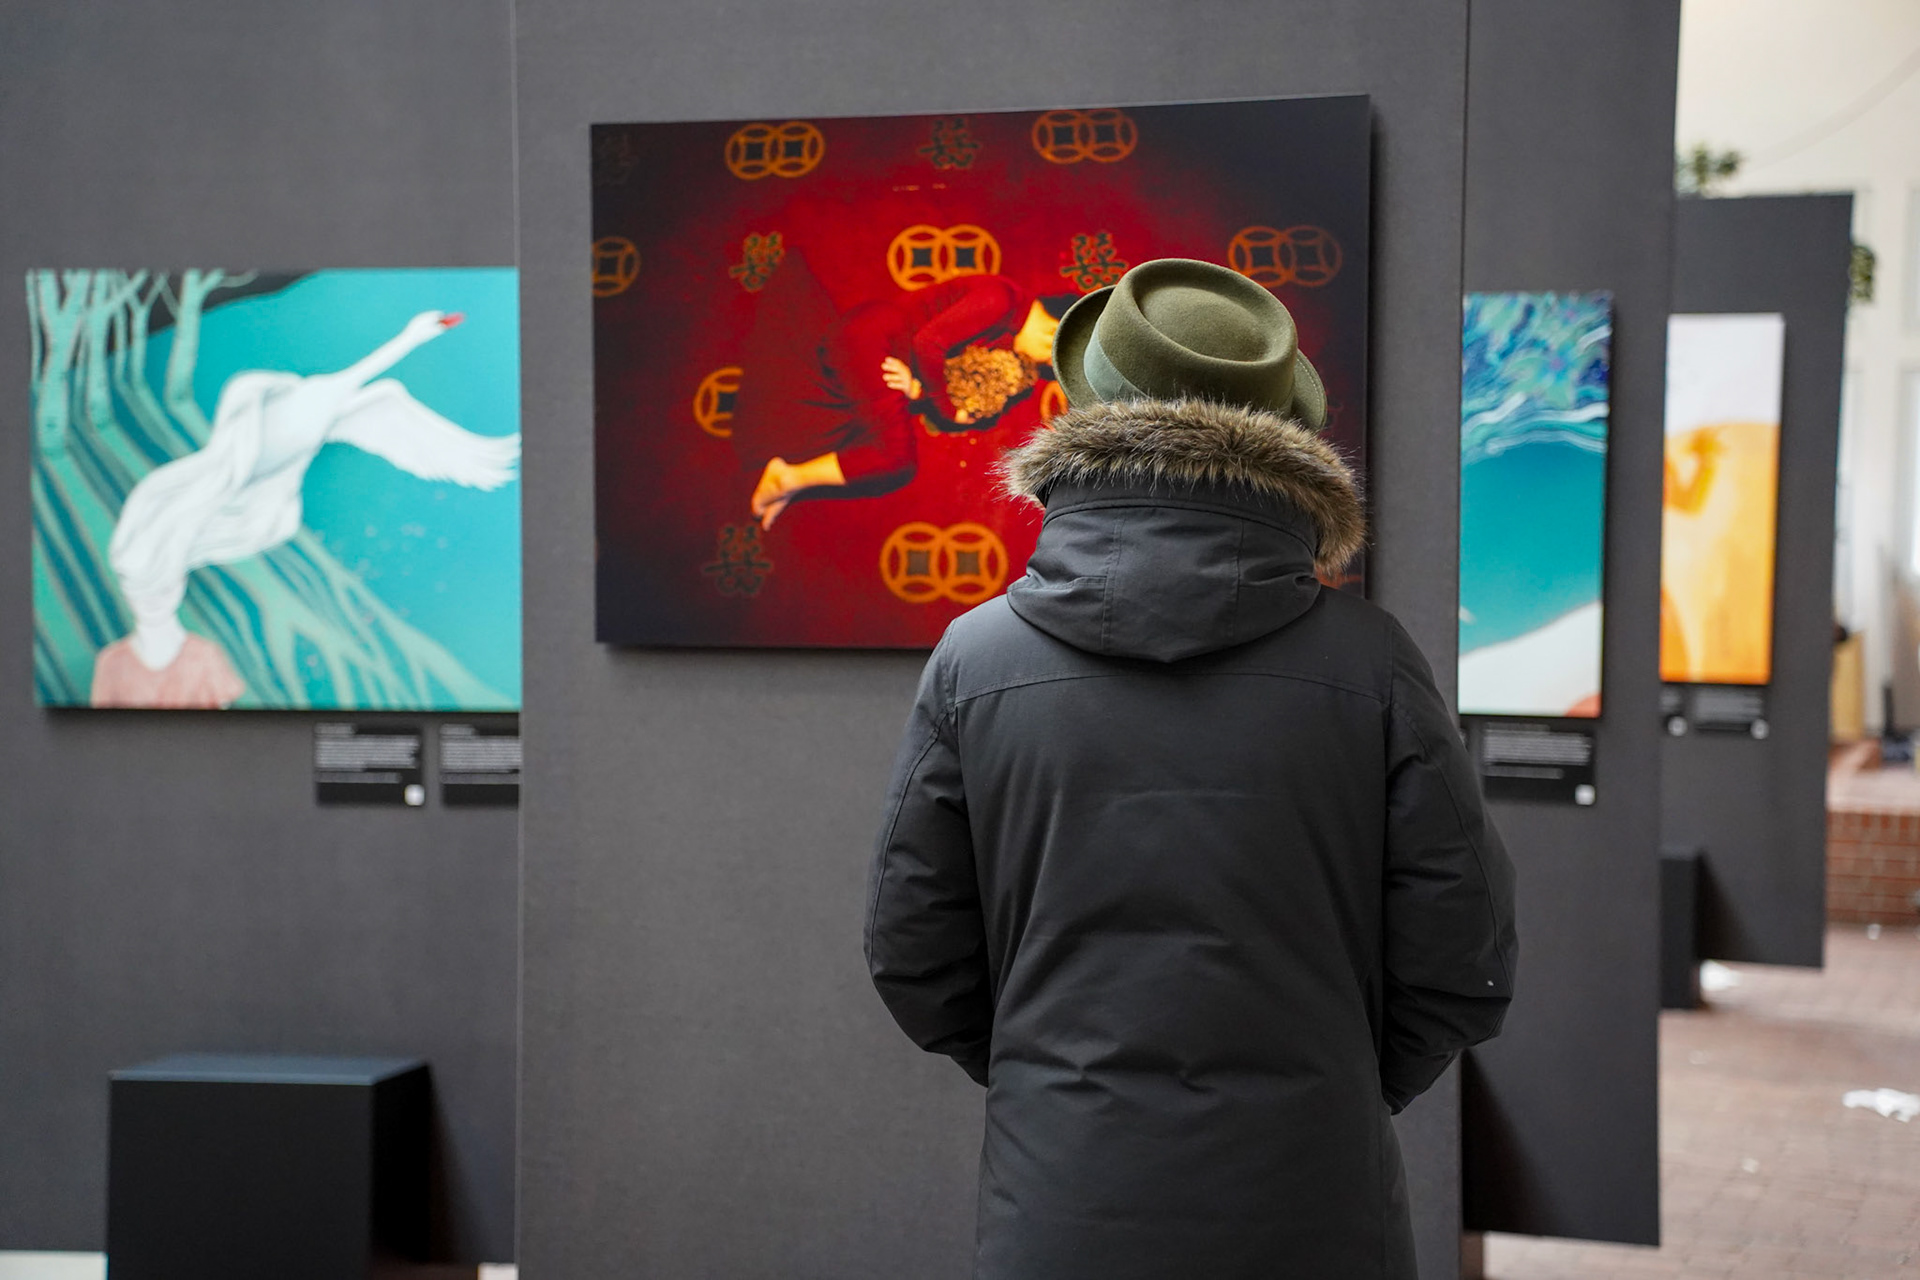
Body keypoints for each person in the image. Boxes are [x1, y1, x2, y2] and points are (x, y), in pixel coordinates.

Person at [863, 258, 1518, 1279]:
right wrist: (1341, 1084)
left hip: (1060, 1203)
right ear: (1285, 441)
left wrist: (1049, 1076)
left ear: (1085, 417)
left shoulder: (975, 661)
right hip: (1313, 1203)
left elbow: (912, 947)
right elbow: (1464, 953)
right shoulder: (1371, 663)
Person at [739, 257, 1070, 528]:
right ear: (1051, 334)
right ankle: (787, 478)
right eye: (1046, 363)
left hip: (888, 356)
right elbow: (928, 345)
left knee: (859, 441)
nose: (1037, 367)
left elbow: (946, 365)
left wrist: (918, 389)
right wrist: (947, 410)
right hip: (873, 342)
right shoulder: (1001, 298)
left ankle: (790, 485)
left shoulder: (1011, 324)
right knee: (896, 460)